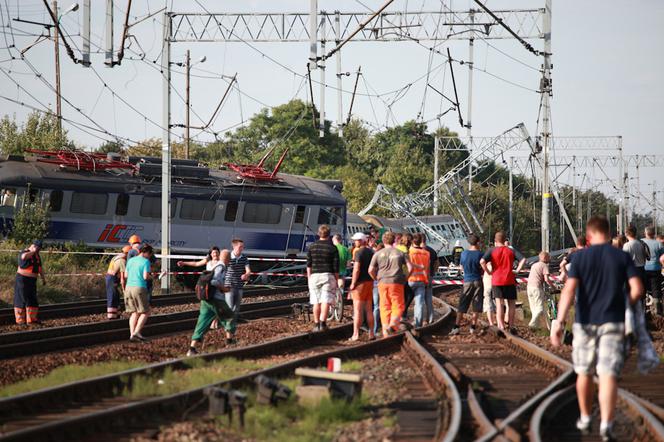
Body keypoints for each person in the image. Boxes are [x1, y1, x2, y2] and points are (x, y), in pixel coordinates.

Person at [551, 216, 643, 441]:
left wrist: (559, 322)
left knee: (584, 372)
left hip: (584, 323)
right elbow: (637, 289)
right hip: (613, 321)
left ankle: (584, 416)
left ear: (589, 236)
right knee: (608, 374)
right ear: (609, 233)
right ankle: (606, 424)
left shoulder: (580, 258)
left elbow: (569, 291)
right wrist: (624, 304)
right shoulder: (621, 256)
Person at [186, 248, 236, 355]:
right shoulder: (221, 267)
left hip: (206, 300)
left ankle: (191, 348)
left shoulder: (212, 265)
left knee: (202, 323)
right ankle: (230, 343)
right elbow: (214, 281)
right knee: (229, 318)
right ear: (227, 258)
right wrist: (224, 289)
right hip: (216, 300)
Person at [369, 231, 413, 336]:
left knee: (384, 306)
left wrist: (376, 278)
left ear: (383, 241)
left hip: (382, 282)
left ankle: (385, 331)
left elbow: (370, 270)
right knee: (398, 305)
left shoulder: (377, 254)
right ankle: (393, 325)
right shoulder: (400, 253)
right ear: (394, 240)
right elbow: (410, 267)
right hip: (397, 281)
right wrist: (406, 278)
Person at [480, 232, 526, 332]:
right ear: (505, 240)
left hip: (496, 280)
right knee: (511, 304)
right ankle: (511, 325)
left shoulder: (491, 250)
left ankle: (501, 326)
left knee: (499, 303)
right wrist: (517, 270)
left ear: (495, 241)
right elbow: (523, 259)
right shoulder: (511, 250)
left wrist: (488, 272)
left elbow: (482, 261)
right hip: (510, 279)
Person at [306, 225, 339, 331]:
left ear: (319, 233)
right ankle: (323, 324)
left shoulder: (312, 246)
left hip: (314, 276)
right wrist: (336, 280)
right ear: (329, 234)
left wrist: (309, 278)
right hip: (328, 276)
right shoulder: (333, 248)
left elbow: (308, 265)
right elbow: (336, 267)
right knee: (326, 300)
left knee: (316, 302)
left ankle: (316, 324)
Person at [450, 234, 483, 335]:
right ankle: (472, 327)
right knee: (476, 305)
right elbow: (483, 267)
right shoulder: (480, 254)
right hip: (477, 280)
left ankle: (456, 327)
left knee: (462, 304)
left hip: (467, 281)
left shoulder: (464, 253)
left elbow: (461, 267)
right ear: (477, 242)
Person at [123, 244, 153, 342]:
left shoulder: (130, 260)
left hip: (128, 288)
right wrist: (153, 277)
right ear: (146, 253)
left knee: (134, 312)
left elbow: (126, 275)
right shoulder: (146, 262)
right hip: (139, 288)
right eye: (149, 254)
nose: (149, 256)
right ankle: (137, 332)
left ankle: (132, 335)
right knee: (146, 311)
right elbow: (145, 277)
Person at [348, 232, 375, 341]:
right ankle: (371, 333)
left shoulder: (359, 252)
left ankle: (355, 334)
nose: (355, 242)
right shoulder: (371, 252)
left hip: (360, 284)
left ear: (362, 241)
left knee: (357, 310)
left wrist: (353, 283)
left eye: (357, 240)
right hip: (369, 282)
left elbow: (357, 269)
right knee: (369, 309)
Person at [14, 239, 46, 324]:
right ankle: (20, 320)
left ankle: (32, 319)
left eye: (39, 249)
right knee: (21, 299)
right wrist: (33, 252)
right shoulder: (25, 252)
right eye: (37, 248)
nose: (38, 250)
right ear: (33, 246)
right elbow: (24, 257)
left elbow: (40, 268)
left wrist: (43, 279)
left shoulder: (37, 256)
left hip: (32, 281)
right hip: (22, 279)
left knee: (32, 299)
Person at [408, 233, 431, 328]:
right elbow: (427, 269)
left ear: (412, 241)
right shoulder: (427, 253)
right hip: (422, 281)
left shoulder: (410, 252)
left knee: (405, 302)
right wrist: (428, 281)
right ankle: (418, 324)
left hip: (410, 280)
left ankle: (401, 321)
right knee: (419, 303)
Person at [527, 251, 552, 330]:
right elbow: (546, 279)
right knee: (540, 308)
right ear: (545, 258)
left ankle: (547, 327)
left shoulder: (534, 265)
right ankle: (532, 324)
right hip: (537, 287)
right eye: (549, 257)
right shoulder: (544, 266)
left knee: (534, 308)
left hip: (529, 287)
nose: (550, 259)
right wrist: (553, 286)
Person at [642, 226, 664, 315]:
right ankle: (657, 311)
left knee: (643, 289)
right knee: (656, 289)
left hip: (643, 268)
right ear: (654, 234)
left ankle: (643, 309)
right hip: (655, 269)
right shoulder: (659, 244)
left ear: (645, 233)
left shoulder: (641, 242)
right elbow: (662, 257)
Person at [105, 245, 131, 320]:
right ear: (127, 253)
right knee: (113, 296)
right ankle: (112, 316)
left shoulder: (116, 257)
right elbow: (122, 277)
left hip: (110, 277)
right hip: (112, 278)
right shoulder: (122, 260)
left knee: (115, 295)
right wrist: (124, 288)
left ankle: (116, 314)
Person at [421, 235, 438, 325]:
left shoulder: (417, 251)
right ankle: (431, 318)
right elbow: (436, 263)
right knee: (428, 298)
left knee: (421, 299)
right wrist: (433, 272)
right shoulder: (431, 250)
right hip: (430, 276)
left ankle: (423, 320)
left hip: (420, 277)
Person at [332, 234, 351, 299]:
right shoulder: (346, 249)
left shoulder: (332, 248)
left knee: (332, 288)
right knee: (341, 287)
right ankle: (340, 300)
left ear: (333, 239)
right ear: (340, 240)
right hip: (342, 272)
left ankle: (333, 303)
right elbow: (348, 264)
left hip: (333, 272)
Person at [482, 261, 496, 326]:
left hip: (487, 285)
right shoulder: (496, 265)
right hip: (496, 285)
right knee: (498, 304)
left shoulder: (486, 265)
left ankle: (491, 323)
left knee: (488, 303)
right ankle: (498, 321)